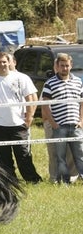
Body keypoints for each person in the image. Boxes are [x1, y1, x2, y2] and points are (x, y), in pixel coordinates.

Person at [0, 52, 42, 184]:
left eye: (4, 62)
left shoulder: (22, 78)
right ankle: (10, 180)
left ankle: (32, 180)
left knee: (23, 155)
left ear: (9, 62)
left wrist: (29, 118)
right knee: (3, 158)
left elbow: (30, 99)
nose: (2, 64)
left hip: (18, 124)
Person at [41, 53, 83, 184]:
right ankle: (65, 182)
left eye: (67, 66)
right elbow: (45, 104)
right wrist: (53, 123)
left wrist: (81, 120)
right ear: (57, 67)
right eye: (62, 66)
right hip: (59, 126)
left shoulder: (78, 82)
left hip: (76, 125)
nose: (65, 68)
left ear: (71, 66)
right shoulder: (50, 83)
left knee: (80, 154)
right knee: (60, 156)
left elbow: (82, 102)